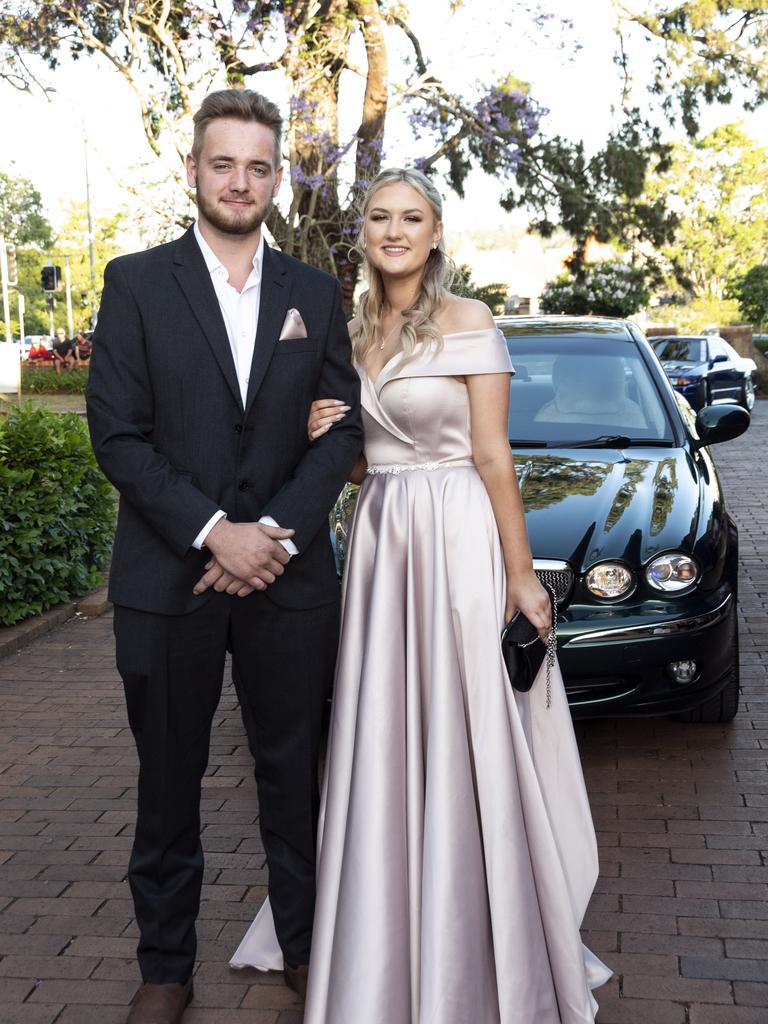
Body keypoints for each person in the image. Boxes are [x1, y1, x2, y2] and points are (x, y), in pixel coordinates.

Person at [225, 167, 612, 1022]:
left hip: (458, 537)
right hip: (381, 537)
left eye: (412, 218)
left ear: (436, 233)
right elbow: (365, 463)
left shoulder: (468, 321)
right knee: (383, 727)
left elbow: (492, 457)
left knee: (466, 723)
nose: (394, 231)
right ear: (359, 232)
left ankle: (480, 932)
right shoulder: (353, 329)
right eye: (379, 217)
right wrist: (328, 435)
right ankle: (382, 925)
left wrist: (521, 576)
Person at [86, 88, 362, 1024]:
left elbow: (338, 432)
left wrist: (272, 535)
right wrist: (217, 533)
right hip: (171, 580)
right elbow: (117, 436)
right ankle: (165, 967)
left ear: (276, 179)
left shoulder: (316, 294)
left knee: (297, 774)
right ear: (193, 170)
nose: (239, 181)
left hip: (290, 583)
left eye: (257, 166)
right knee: (167, 781)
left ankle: (303, 946)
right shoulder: (134, 282)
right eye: (222, 163)